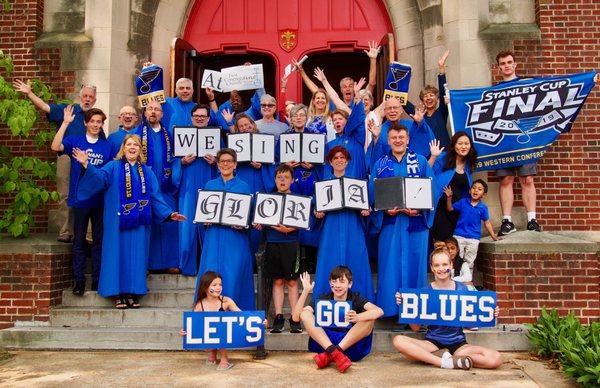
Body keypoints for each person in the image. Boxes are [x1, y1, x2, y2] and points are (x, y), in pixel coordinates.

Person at [73, 134, 186, 308]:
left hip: (140, 224)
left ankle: (132, 292)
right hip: (116, 224)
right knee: (116, 255)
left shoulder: (147, 172)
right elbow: (99, 179)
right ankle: (117, 293)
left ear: (140, 150)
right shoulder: (112, 167)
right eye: (129, 145)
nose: (132, 148)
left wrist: (169, 214)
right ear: (123, 148)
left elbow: (155, 196)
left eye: (136, 145)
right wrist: (86, 164)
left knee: (137, 256)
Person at [13, 81, 98, 243]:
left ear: (95, 99)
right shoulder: (69, 110)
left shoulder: (96, 117)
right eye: (85, 96)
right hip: (67, 157)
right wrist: (30, 93)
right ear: (80, 97)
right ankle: (66, 231)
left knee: (88, 195)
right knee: (65, 194)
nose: (87, 99)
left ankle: (86, 233)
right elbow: (46, 107)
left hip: (89, 160)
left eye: (91, 97)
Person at [392, 248, 503, 370]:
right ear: (432, 268)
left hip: (459, 345)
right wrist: (406, 307)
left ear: (451, 265)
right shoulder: (425, 292)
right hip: (433, 343)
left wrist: (489, 313)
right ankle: (443, 362)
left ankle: (445, 357)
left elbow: (470, 326)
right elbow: (415, 328)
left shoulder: (463, 290)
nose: (441, 268)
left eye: (445, 264)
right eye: (437, 265)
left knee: (495, 358)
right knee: (398, 340)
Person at [370, 124, 434, 317]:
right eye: (394, 138)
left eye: (401, 137)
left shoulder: (421, 162)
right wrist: (382, 208)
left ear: (408, 140)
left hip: (415, 224)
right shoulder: (380, 164)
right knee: (390, 267)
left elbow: (432, 190)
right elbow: (373, 193)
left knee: (415, 266)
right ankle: (390, 310)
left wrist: (420, 208)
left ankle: (414, 313)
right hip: (391, 224)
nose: (398, 141)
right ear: (388, 141)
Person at [50, 106, 113, 295]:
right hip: (80, 200)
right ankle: (79, 281)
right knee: (78, 242)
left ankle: (96, 280)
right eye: (92, 121)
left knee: (98, 242)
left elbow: (108, 174)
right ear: (85, 123)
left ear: (102, 124)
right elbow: (55, 147)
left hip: (100, 200)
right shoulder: (75, 141)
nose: (95, 124)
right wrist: (65, 123)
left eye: (99, 122)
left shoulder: (107, 146)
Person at [292, 268, 384, 373]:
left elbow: (379, 311)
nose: (337, 285)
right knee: (305, 313)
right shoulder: (323, 298)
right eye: (334, 281)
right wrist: (305, 291)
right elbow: (296, 318)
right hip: (326, 344)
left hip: (350, 345)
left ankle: (333, 354)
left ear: (350, 284)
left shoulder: (355, 297)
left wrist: (358, 317)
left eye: (342, 281)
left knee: (369, 319)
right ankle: (334, 353)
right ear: (330, 283)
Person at [196, 148, 255, 310]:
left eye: (229, 161)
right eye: (222, 161)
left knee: (234, 276)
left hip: (235, 239)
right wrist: (205, 220)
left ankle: (236, 317)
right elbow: (203, 211)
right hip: (213, 238)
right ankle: (205, 315)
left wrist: (244, 223)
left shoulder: (244, 187)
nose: (225, 164)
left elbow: (250, 214)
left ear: (235, 164)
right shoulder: (209, 185)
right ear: (217, 164)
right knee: (209, 276)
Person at [313, 146, 374, 302]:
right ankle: (325, 303)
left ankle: (360, 303)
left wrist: (366, 210)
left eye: (342, 158)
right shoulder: (323, 185)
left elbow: (366, 206)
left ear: (347, 161)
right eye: (335, 158)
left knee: (356, 261)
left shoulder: (356, 184)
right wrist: (317, 212)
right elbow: (316, 208)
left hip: (352, 227)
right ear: (330, 162)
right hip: (331, 229)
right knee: (329, 261)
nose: (339, 160)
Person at [493, 51, 540, 235]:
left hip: (525, 141)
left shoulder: (527, 86)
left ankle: (532, 219)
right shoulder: (494, 91)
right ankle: (507, 221)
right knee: (506, 179)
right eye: (502, 63)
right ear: (498, 67)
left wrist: (585, 81)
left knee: (527, 179)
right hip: (504, 141)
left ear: (515, 64)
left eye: (509, 62)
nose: (506, 65)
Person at [253, 164, 302, 334]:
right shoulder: (267, 199)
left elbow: (304, 223)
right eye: (279, 177)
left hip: (291, 244)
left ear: (292, 180)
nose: (282, 180)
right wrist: (259, 224)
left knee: (293, 282)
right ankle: (279, 317)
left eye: (286, 177)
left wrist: (290, 229)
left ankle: (295, 318)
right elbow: (260, 222)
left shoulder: (298, 199)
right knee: (278, 281)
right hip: (273, 243)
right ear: (274, 180)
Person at [171, 104, 218, 276]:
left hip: (209, 184)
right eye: (196, 116)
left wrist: (215, 161)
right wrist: (181, 162)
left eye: (203, 116)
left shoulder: (215, 137)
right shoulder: (182, 136)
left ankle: (209, 268)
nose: (199, 118)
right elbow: (173, 161)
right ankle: (187, 266)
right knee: (187, 227)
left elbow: (226, 162)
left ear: (208, 118)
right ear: (191, 118)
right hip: (188, 187)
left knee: (210, 226)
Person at [135, 101, 180, 273]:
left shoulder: (169, 135)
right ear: (145, 113)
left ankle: (170, 263)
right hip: (144, 188)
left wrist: (175, 179)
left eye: (157, 109)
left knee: (170, 222)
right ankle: (146, 264)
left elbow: (176, 160)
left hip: (166, 187)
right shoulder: (137, 134)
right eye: (150, 109)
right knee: (146, 224)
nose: (153, 112)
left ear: (162, 114)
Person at [230, 113, 275, 254]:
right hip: (242, 181)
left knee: (258, 223)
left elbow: (274, 163)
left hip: (260, 182)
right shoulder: (234, 144)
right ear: (237, 129)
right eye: (241, 126)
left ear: (253, 125)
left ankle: (257, 262)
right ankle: (244, 259)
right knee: (241, 219)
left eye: (247, 124)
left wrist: (262, 166)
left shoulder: (264, 141)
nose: (245, 127)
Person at [180, 271, 240, 371]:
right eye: (214, 285)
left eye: (220, 284)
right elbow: (193, 323)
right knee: (210, 326)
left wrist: (258, 321)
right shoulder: (200, 305)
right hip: (209, 334)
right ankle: (213, 353)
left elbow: (241, 315)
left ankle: (224, 359)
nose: (218, 287)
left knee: (220, 327)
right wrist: (184, 330)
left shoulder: (226, 301)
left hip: (224, 333)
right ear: (206, 287)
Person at [295, 41, 380, 108]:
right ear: (341, 90)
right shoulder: (335, 104)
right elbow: (316, 90)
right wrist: (302, 71)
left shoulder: (361, 101)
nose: (347, 89)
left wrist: (373, 59)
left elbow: (371, 84)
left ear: (354, 88)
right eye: (345, 86)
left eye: (350, 86)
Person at [429, 131, 477, 243]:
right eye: (460, 143)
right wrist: (433, 156)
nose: (464, 146)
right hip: (440, 208)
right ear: (454, 145)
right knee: (442, 240)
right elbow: (426, 171)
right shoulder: (443, 157)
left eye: (466, 143)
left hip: (456, 210)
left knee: (454, 244)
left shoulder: (469, 164)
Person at [443, 179, 501, 270]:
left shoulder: (483, 207)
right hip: (459, 236)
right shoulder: (463, 202)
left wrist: (493, 236)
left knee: (469, 262)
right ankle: (454, 281)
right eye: (473, 188)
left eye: (479, 189)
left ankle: (467, 282)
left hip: (473, 238)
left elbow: (487, 222)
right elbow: (450, 209)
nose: (476, 190)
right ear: (470, 191)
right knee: (455, 259)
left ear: (484, 194)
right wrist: (449, 197)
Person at [366, 97, 435, 169]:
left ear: (401, 110)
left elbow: (426, 143)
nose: (392, 111)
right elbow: (375, 159)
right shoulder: (379, 130)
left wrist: (420, 123)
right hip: (389, 171)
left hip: (410, 169)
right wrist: (376, 138)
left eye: (395, 108)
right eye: (389, 108)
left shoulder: (411, 125)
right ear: (385, 111)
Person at [403, 50, 451, 148]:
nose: (428, 97)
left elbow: (442, 91)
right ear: (422, 100)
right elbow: (403, 101)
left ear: (437, 99)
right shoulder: (420, 115)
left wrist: (441, 67)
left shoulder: (442, 112)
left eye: (431, 95)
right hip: (426, 156)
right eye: (425, 96)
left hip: (443, 153)